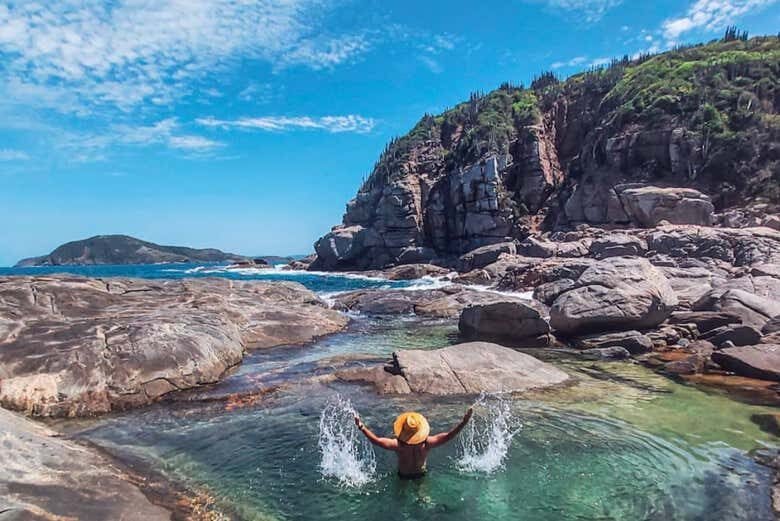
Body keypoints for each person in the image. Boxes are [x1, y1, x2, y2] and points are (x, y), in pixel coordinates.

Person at [354, 408, 473, 479]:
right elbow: (449, 436)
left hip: (403, 476)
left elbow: (377, 441)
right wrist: (464, 422)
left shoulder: (399, 445)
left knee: (402, 498)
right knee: (423, 496)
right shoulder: (427, 443)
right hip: (421, 475)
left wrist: (362, 427)